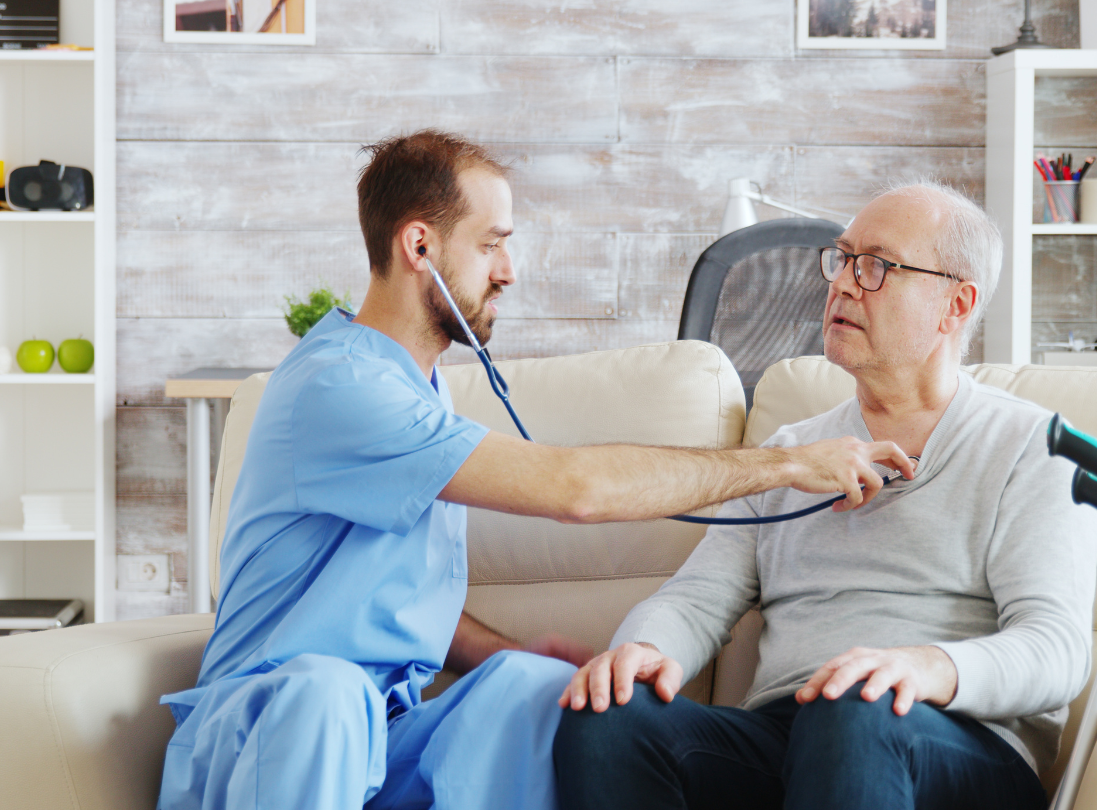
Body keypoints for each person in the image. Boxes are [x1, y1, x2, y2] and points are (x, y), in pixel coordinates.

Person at [154, 128, 905, 810]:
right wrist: (785, 462)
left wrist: (510, 653)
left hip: (380, 731)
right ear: (420, 246)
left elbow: (384, 597)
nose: (510, 270)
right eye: (491, 244)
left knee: (534, 689)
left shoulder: (421, 387)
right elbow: (574, 492)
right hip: (275, 725)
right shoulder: (340, 387)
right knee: (328, 693)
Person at [554, 182, 1097, 810]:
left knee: (853, 711)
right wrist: (642, 650)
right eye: (842, 259)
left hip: (952, 741)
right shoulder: (794, 452)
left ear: (957, 304)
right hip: (792, 731)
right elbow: (698, 597)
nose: (842, 283)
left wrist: (924, 668)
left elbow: (1055, 648)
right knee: (607, 716)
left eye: (877, 267)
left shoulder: (1035, 445)